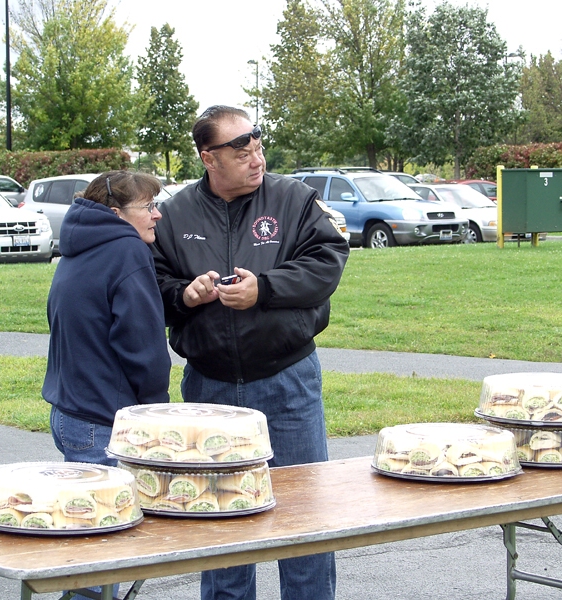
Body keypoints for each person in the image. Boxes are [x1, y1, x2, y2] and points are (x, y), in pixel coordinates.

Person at [151, 106, 350, 600]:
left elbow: (327, 263)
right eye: (242, 152)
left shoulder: (293, 199)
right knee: (221, 519)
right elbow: (153, 282)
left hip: (288, 380)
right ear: (209, 158)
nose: (256, 159)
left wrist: (265, 288)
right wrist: (185, 295)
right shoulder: (174, 214)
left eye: (258, 147)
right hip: (210, 385)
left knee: (303, 518)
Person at [43, 170, 171, 468]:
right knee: (116, 499)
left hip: (68, 413)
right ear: (116, 214)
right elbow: (142, 341)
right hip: (105, 420)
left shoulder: (79, 244)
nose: (157, 215)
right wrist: (155, 410)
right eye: (148, 207)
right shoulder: (127, 249)